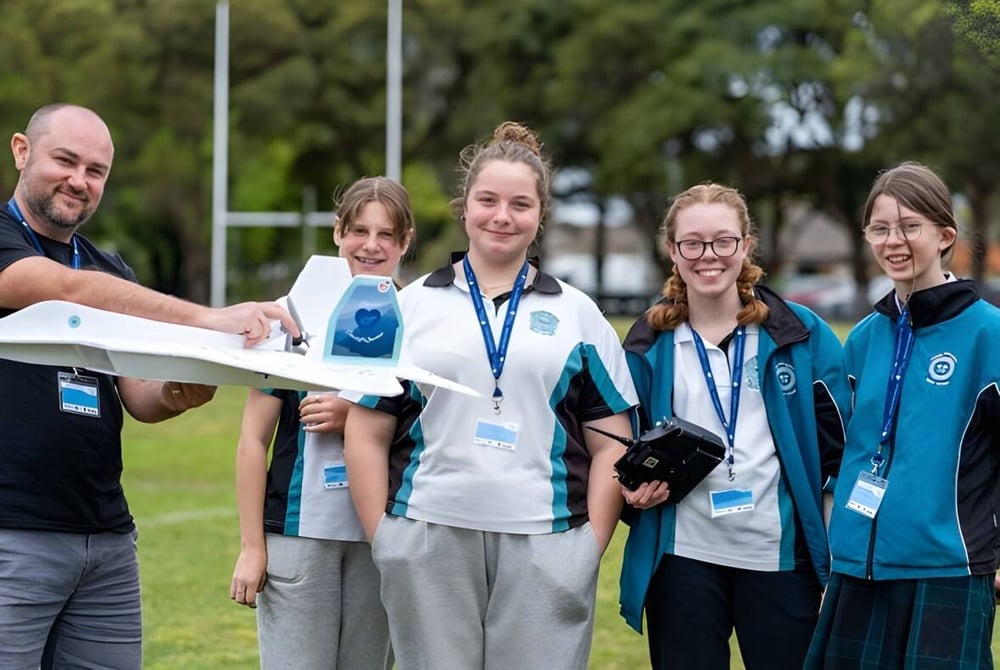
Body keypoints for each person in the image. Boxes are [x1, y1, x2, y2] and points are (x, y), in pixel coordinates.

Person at [0, 103, 298, 669]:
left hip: (106, 538)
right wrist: (207, 317)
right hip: (13, 534)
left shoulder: (111, 271)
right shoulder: (16, 246)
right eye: (65, 160)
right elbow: (60, 287)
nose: (79, 181)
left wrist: (184, 387)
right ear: (22, 150)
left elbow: (140, 396)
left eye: (96, 171)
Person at [342, 121, 637, 670]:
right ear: (465, 208)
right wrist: (385, 538)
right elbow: (365, 428)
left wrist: (587, 546)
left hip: (546, 541)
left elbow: (612, 442)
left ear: (540, 216)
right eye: (488, 200)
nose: (503, 216)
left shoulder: (578, 314)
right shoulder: (409, 308)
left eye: (520, 204)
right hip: (427, 535)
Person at [618, 183, 852, 670]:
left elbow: (839, 456)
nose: (709, 256)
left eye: (723, 241)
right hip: (683, 562)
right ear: (672, 251)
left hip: (781, 560)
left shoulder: (801, 334)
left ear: (745, 245)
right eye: (693, 243)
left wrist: (836, 564)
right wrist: (634, 493)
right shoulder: (646, 344)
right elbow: (620, 451)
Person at [805, 162, 1000, 669]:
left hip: (946, 567)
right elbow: (847, 455)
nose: (894, 241)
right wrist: (838, 560)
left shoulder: (988, 333)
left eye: (910, 226)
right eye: (880, 228)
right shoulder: (866, 337)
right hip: (858, 569)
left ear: (944, 236)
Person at [229, 176, 415, 669]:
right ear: (337, 232)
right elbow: (252, 440)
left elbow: (433, 430)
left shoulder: (419, 319)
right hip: (297, 535)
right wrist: (252, 547)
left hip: (381, 538)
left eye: (387, 235)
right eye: (359, 230)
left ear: (406, 242)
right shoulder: (290, 315)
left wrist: (357, 417)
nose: (371, 246)